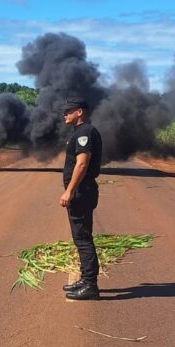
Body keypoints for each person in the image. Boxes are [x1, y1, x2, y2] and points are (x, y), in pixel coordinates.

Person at [59, 97, 103, 301]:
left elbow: (82, 164)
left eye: (68, 111)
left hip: (81, 192)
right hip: (82, 191)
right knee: (82, 237)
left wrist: (69, 191)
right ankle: (86, 280)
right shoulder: (79, 132)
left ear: (80, 112)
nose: (64, 114)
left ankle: (90, 285)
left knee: (82, 239)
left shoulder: (84, 132)